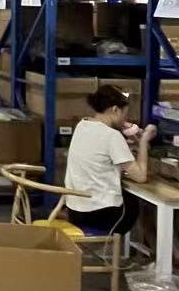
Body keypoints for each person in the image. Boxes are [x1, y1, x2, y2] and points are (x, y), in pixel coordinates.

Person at [63, 84, 155, 236]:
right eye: (125, 114)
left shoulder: (82, 125)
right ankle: (159, 248)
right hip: (101, 215)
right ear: (115, 110)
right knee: (139, 203)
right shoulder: (112, 136)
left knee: (129, 198)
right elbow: (140, 176)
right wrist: (144, 141)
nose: (126, 119)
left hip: (75, 211)